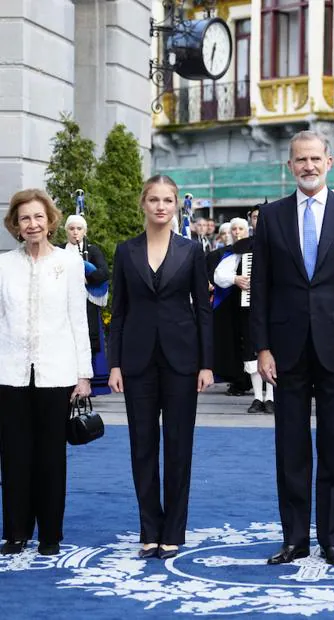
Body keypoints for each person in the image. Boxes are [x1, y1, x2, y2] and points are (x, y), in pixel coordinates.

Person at [251, 130, 334, 567]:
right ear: (289, 166)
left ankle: (331, 538)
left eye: (315, 159)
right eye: (299, 160)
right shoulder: (270, 218)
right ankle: (294, 539)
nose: (308, 166)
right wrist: (262, 347)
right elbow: (261, 289)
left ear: (330, 162)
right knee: (290, 448)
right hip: (285, 351)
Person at [108, 175, 214, 561]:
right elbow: (117, 312)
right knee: (142, 446)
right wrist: (114, 363)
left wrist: (207, 364)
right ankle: (149, 529)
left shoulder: (190, 250)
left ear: (176, 206)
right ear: (143, 204)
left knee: (179, 446)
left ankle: (173, 531)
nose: (161, 206)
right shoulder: (125, 251)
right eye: (154, 199)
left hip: (182, 360)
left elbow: (203, 309)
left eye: (167, 200)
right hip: (136, 360)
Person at [0, 189, 92, 556]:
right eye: (25, 219)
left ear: (50, 221)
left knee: (51, 456)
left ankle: (51, 534)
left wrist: (84, 374)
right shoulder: (4, 264)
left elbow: (78, 319)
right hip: (10, 373)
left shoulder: (69, 263)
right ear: (16, 226)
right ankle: (16, 532)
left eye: (38, 217)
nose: (32, 224)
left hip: (57, 373)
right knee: (15, 455)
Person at [214, 208, 274, 414]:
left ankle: (272, 397)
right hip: (249, 308)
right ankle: (258, 397)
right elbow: (220, 274)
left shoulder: (281, 241)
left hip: (276, 308)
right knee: (250, 350)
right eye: (255, 217)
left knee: (274, 349)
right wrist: (235, 279)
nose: (259, 221)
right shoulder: (243, 246)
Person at [64, 214, 111, 396]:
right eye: (71, 228)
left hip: (87, 305)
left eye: (79, 229)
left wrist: (87, 277)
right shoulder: (59, 250)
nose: (75, 233)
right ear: (66, 230)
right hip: (65, 303)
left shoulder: (92, 251)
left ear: (84, 231)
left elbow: (104, 273)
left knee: (88, 341)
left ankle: (87, 383)